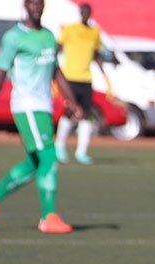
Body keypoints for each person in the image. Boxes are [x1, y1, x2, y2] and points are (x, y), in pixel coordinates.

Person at [0, 0, 82, 234]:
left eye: (40, 3)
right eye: (32, 3)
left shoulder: (48, 36)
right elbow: (0, 73)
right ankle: (49, 217)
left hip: (43, 106)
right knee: (49, 157)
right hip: (26, 106)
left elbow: (56, 71)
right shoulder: (14, 37)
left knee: (34, 162)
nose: (36, 7)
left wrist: (73, 102)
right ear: (26, 5)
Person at [54, 2, 109, 165]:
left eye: (87, 13)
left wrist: (104, 74)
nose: (85, 15)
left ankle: (81, 152)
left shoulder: (95, 33)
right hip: (70, 78)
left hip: (86, 79)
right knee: (70, 112)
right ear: (80, 13)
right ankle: (60, 146)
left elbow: (96, 55)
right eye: (83, 12)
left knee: (86, 114)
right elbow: (57, 47)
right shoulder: (69, 29)